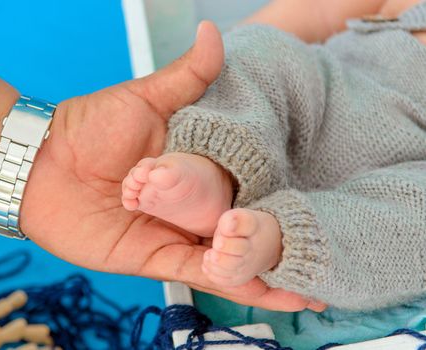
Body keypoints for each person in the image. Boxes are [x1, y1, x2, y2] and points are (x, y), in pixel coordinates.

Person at [122, 0, 426, 310]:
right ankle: (215, 170)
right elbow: (316, 11)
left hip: (401, 173)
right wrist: (226, 64)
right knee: (260, 46)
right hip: (320, 95)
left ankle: (279, 239)